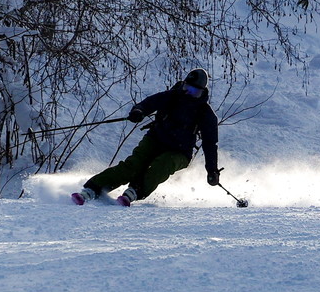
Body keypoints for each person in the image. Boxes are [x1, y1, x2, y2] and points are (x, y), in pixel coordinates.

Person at [72, 68, 222, 206]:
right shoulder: (171, 96)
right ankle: (92, 189)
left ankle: (134, 191)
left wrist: (212, 170)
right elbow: (149, 103)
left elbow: (210, 143)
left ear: (202, 92)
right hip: (155, 139)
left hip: (179, 152)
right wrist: (138, 111)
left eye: (194, 91)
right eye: (186, 88)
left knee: (162, 165)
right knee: (133, 165)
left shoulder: (205, 113)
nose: (188, 93)